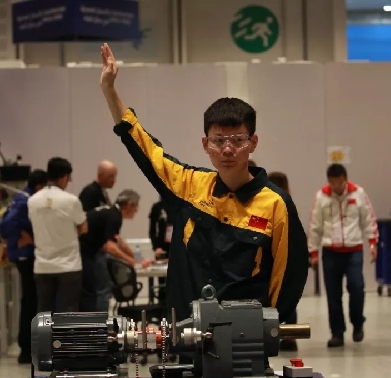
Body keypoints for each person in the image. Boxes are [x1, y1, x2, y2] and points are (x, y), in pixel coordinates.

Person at [99, 43, 309, 328]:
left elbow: (289, 278)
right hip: (186, 336)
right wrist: (110, 90)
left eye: (238, 140)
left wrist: (266, 329)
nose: (227, 149)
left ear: (253, 143)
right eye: (218, 140)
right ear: (205, 144)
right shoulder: (189, 186)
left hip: (244, 341)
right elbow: (144, 148)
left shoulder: (276, 205)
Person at [308, 163, 378, 348]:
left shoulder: (358, 194)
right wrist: (313, 252)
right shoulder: (322, 196)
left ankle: (358, 322)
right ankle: (337, 333)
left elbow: (368, 219)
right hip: (330, 252)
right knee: (333, 295)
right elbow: (315, 226)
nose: (336, 187)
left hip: (353, 250)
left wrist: (373, 243)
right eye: (333, 183)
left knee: (357, 286)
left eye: (339, 183)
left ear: (345, 179)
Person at [0, 169, 47, 364]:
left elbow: (3, 225)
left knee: (30, 300)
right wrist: (21, 238)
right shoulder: (26, 201)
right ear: (39, 186)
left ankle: (28, 347)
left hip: (23, 255)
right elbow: (7, 225)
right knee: (30, 302)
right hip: (26, 257)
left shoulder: (20, 198)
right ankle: (26, 349)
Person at [28, 157, 87, 313]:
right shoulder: (71, 201)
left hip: (42, 266)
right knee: (68, 311)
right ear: (65, 177)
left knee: (44, 311)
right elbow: (83, 228)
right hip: (69, 265)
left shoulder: (32, 201)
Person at [80, 189, 149, 312]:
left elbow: (118, 241)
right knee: (103, 291)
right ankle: (100, 320)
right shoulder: (114, 216)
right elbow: (110, 247)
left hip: (87, 251)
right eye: (136, 206)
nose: (136, 210)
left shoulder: (111, 212)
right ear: (129, 205)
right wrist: (132, 262)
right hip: (87, 253)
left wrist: (138, 258)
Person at [267, 171, 299, 352]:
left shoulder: (270, 204)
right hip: (286, 258)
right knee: (288, 298)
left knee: (274, 299)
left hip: (275, 258)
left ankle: (277, 335)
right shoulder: (288, 205)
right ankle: (289, 336)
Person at [149, 196, 174, 304]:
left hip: (176, 247)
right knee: (162, 280)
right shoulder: (157, 207)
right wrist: (156, 247)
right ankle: (161, 304)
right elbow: (152, 230)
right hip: (162, 249)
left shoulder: (178, 206)